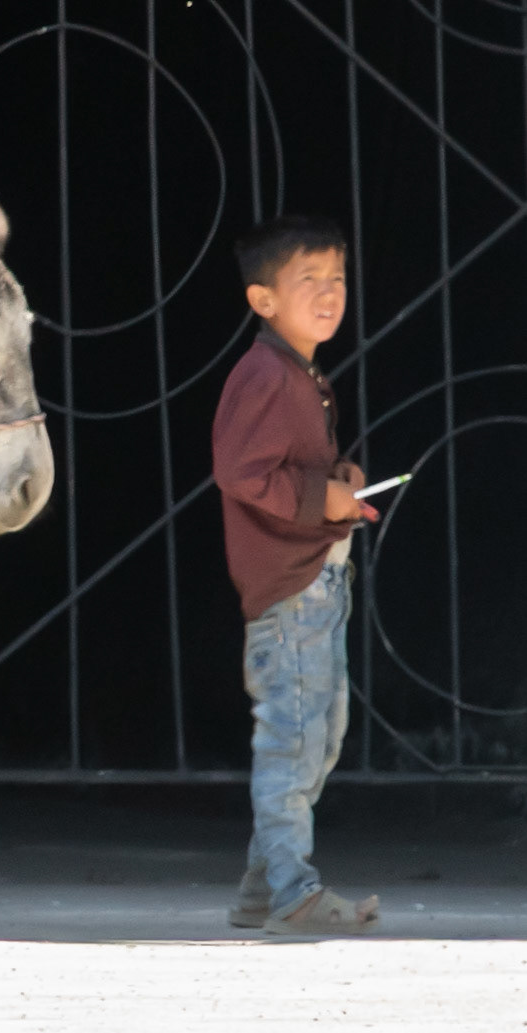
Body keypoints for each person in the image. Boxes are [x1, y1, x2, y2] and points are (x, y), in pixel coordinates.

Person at [211, 215, 381, 935]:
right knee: (293, 739)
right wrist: (323, 500)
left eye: (336, 277)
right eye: (307, 279)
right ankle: (293, 891)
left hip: (317, 587)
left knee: (320, 736)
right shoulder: (264, 373)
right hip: (290, 594)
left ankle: (262, 886)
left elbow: (286, 470)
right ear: (263, 299)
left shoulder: (301, 374)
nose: (328, 292)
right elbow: (241, 472)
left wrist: (337, 482)